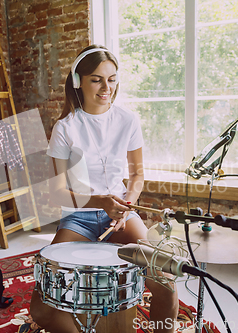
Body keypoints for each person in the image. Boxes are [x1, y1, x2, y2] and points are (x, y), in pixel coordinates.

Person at [30, 45, 179, 333]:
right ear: (78, 82)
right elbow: (58, 193)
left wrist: (128, 205)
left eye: (111, 79)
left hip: (122, 215)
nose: (106, 87)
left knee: (165, 284)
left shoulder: (128, 120)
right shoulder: (65, 128)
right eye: (97, 79)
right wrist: (101, 202)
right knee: (43, 306)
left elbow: (137, 174)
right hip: (78, 217)